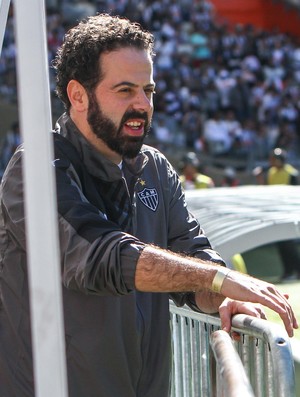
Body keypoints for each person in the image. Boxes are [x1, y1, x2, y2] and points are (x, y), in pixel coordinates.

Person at [0, 14, 297, 397]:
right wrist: (218, 279)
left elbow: (194, 257)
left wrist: (222, 297)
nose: (142, 104)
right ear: (78, 95)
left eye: (148, 90)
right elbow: (100, 256)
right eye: (125, 90)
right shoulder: (35, 168)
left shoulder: (154, 167)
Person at [253, 147, 300, 280]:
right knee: (281, 242)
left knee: (288, 243)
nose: (271, 161)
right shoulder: (270, 172)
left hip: (288, 213)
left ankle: (295, 270)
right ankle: (288, 271)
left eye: (274, 159)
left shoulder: (292, 174)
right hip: (275, 213)